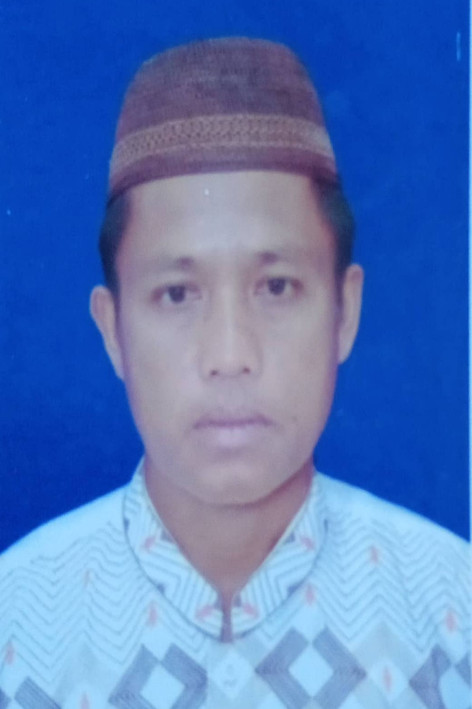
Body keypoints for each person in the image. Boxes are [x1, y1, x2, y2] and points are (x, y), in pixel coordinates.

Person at [0, 37, 468, 709]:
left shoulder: (453, 615)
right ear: (112, 331)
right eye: (176, 294)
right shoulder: (15, 628)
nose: (228, 354)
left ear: (345, 312)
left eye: (276, 287)